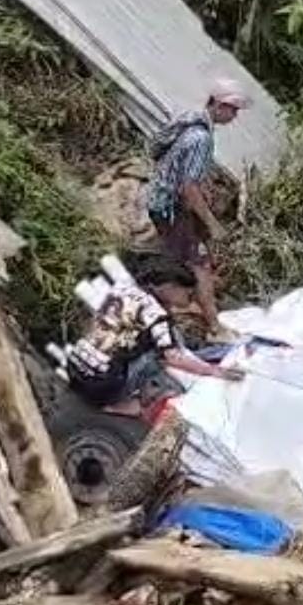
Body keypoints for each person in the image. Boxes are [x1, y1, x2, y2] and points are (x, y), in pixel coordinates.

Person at [67, 252, 242, 415]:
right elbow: (172, 357)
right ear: (171, 287)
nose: (189, 300)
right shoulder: (157, 315)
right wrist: (212, 371)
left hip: (75, 369)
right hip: (102, 386)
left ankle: (105, 394)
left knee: (140, 343)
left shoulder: (123, 289)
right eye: (188, 294)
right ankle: (116, 405)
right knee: (158, 356)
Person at [147, 79, 252, 337]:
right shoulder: (201, 137)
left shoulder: (191, 122)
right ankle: (214, 327)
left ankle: (183, 307)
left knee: (185, 259)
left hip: (162, 202)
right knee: (200, 265)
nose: (234, 115)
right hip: (171, 207)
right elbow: (188, 187)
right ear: (216, 104)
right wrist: (212, 224)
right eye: (232, 109)